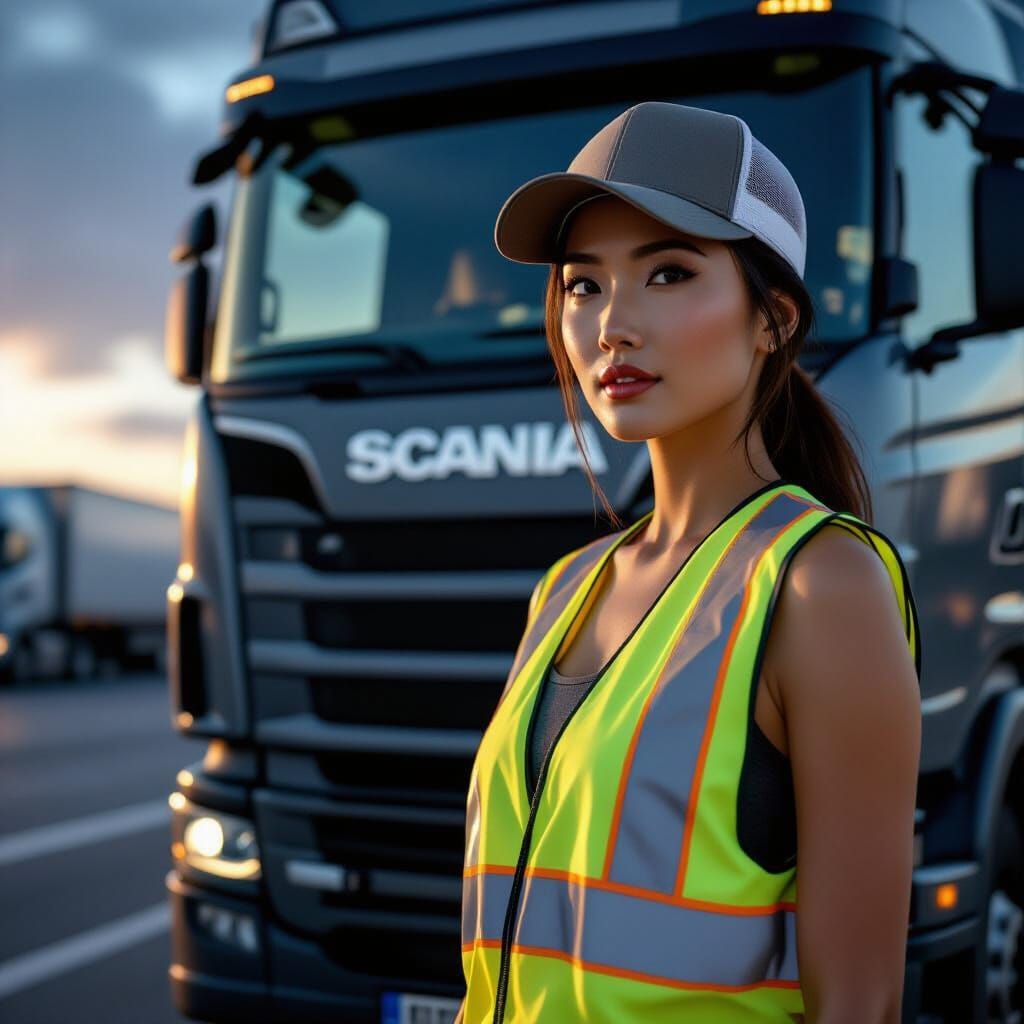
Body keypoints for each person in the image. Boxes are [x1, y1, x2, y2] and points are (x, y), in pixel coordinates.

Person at [455, 101, 921, 1024]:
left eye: (668, 272)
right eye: (582, 285)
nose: (611, 325)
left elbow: (859, 1006)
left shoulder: (819, 584)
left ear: (773, 322)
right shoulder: (566, 588)